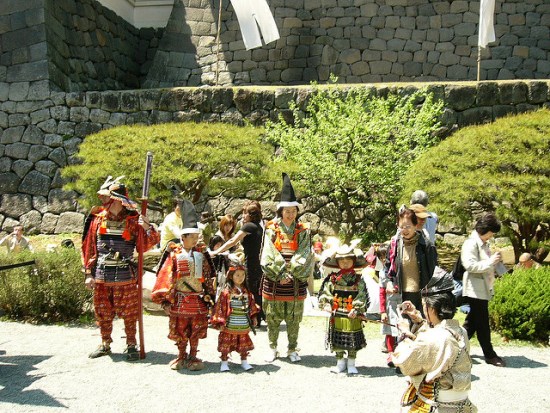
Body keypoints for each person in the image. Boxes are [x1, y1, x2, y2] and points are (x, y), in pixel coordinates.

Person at [81, 176, 159, 361]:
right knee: (102, 311)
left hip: (126, 275)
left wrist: (147, 228)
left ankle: (131, 344)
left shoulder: (133, 221)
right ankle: (105, 343)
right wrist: (88, 273)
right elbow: (89, 247)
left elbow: (145, 245)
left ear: (118, 200)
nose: (103, 201)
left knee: (130, 312)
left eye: (107, 198)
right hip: (101, 274)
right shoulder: (97, 220)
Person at [392, 268, 477, 413]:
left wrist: (405, 335)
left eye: (425, 306)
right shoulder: (460, 331)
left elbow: (405, 362)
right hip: (462, 404)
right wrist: (418, 320)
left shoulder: (434, 337)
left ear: (431, 308)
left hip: (438, 405)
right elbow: (434, 339)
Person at [152, 199, 215, 371]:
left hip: (198, 299)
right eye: (192, 237)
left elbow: (209, 276)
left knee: (195, 329)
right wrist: (165, 301)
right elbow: (165, 277)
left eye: (197, 237)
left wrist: (211, 297)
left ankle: (193, 356)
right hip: (179, 299)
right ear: (183, 237)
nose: (195, 240)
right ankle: (181, 356)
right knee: (180, 329)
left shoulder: (202, 254)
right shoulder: (173, 254)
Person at [260, 173, 314, 363]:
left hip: (295, 278)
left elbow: (306, 253)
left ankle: (292, 348)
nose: (290, 214)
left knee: (294, 318)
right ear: (281, 211)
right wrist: (280, 273)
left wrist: (292, 272)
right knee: (272, 316)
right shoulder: (271, 228)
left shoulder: (303, 230)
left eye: (293, 211)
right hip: (275, 279)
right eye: (287, 211)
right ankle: (272, 348)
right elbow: (268, 253)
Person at [461, 213, 506, 367]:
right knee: (482, 323)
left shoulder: (482, 243)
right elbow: (469, 265)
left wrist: (494, 261)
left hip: (482, 287)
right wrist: (490, 261)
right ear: (486, 230)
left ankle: (456, 348)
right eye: (491, 233)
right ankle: (490, 354)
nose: (491, 236)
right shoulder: (471, 243)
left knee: (472, 322)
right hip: (474, 287)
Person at [210, 201, 265, 324]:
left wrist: (217, 251)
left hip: (251, 262)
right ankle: (258, 316)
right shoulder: (259, 226)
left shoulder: (249, 226)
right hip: (258, 262)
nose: (243, 216)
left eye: (245, 213)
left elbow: (233, 241)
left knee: (250, 290)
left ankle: (254, 317)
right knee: (256, 290)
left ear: (250, 215)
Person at [319, 243, 369, 374]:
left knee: (352, 339)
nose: (345, 263)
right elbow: (326, 293)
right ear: (337, 262)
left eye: (348, 260)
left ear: (354, 261)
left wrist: (357, 309)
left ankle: (351, 363)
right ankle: (340, 362)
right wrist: (327, 303)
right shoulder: (332, 279)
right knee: (337, 339)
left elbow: (362, 295)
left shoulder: (359, 280)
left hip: (352, 315)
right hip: (336, 315)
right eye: (341, 260)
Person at [383, 207, 438, 320]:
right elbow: (387, 268)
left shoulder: (426, 246)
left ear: (415, 225)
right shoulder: (394, 246)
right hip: (401, 295)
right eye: (401, 227)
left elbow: (434, 272)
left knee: (422, 328)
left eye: (408, 226)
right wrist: (388, 282)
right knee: (404, 330)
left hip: (422, 295)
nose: (405, 230)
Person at [211, 254, 260, 372]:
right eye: (237, 275)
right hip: (230, 323)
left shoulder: (247, 292)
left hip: (243, 323)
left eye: (243, 275)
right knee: (226, 344)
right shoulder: (226, 292)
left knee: (243, 344)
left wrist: (253, 316)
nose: (240, 277)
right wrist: (220, 321)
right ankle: (224, 362)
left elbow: (252, 306)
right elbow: (220, 308)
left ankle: (244, 361)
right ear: (231, 276)